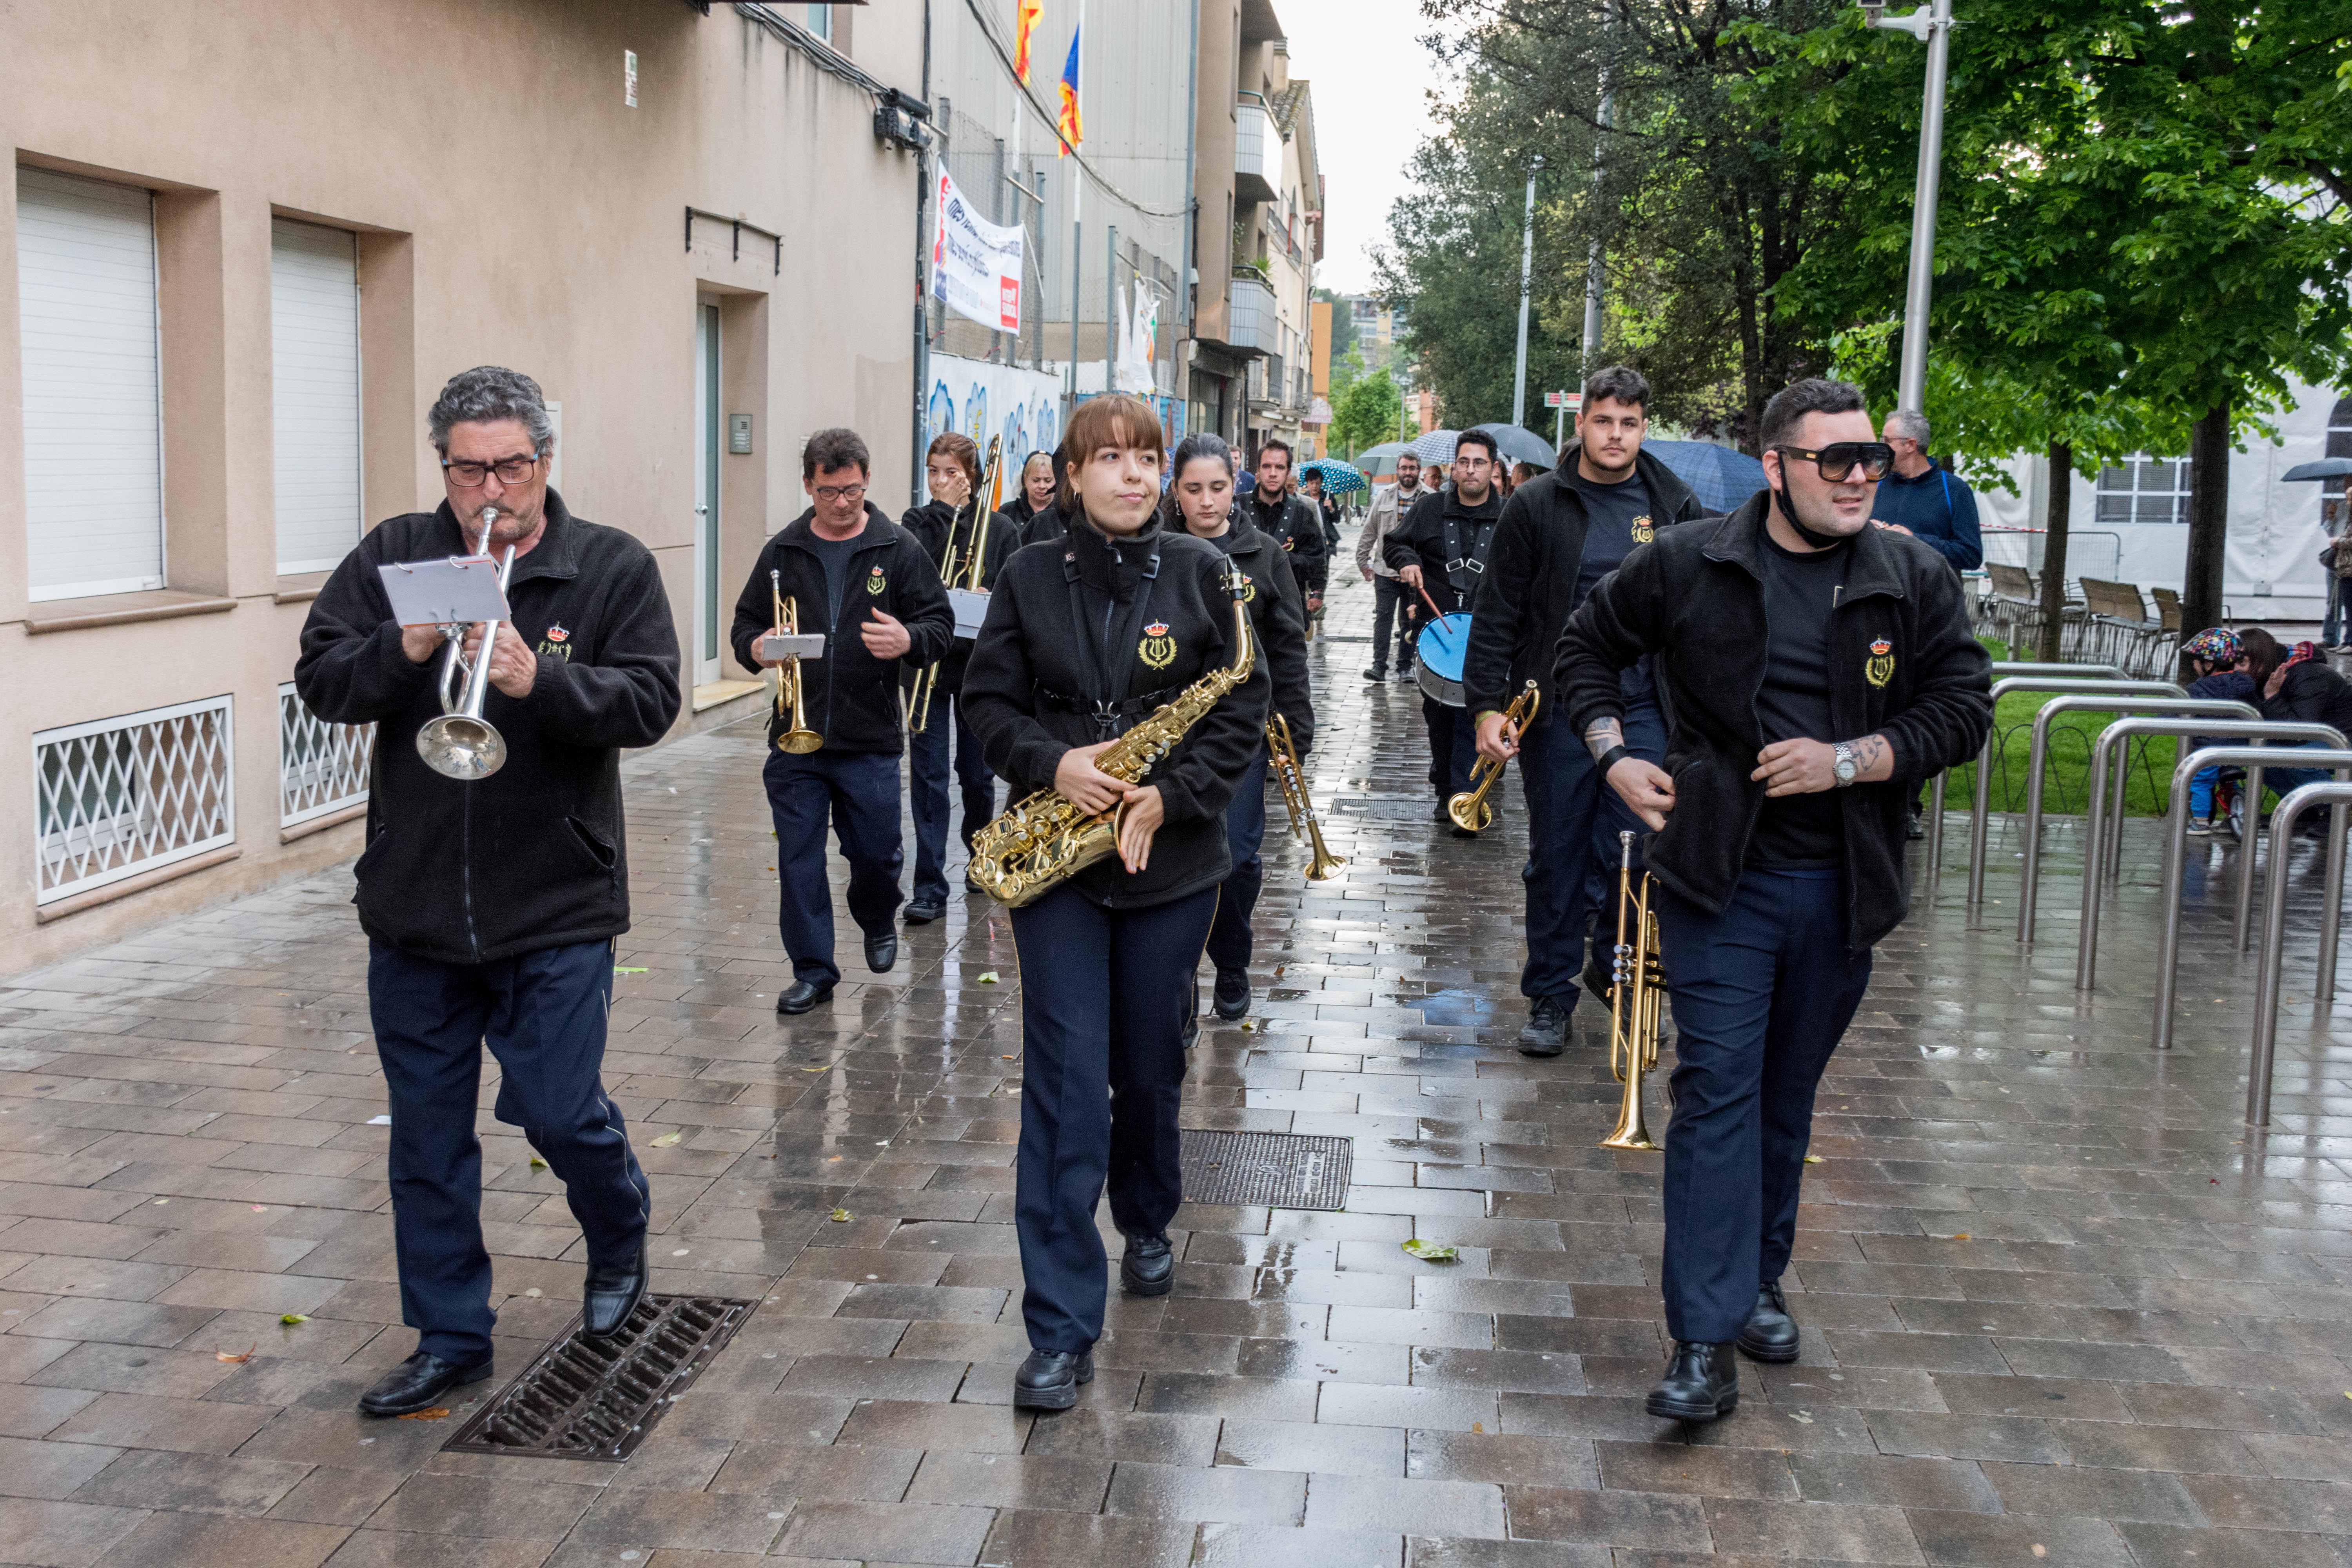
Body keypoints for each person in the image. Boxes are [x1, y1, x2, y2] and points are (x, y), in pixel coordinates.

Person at [1558, 376, 1991, 1423]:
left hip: (1844, 885)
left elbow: (1965, 710)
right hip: (1719, 876)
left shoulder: (1911, 574)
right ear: (1777, 467)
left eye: (1871, 460)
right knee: (1717, 1088)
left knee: (1785, 1095)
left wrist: (1857, 758)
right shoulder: (1691, 563)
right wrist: (1613, 754)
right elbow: (1584, 650)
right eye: (1834, 459)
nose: (1857, 477)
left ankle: (1757, 1277)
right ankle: (1701, 1341)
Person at [294, 366, 682, 1417]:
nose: (489, 489)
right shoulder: (393, 557)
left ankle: (618, 1230)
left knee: (560, 1113)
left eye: (509, 465)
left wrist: (535, 682)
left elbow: (653, 702)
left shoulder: (607, 566)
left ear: (545, 462)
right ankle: (450, 1336)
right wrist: (403, 643)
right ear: (446, 468)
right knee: (426, 1139)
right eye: (468, 468)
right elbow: (323, 678)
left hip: (556, 903)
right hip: (415, 908)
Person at [962, 394, 1272, 1411]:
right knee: (1064, 1078)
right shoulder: (1022, 574)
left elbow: (1242, 710)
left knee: (1149, 1067)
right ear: (1077, 470)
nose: (1136, 476)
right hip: (1055, 866)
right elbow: (986, 706)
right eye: (1115, 459)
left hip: (1171, 867)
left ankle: (1146, 1213)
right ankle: (1058, 1327)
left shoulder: (1205, 574)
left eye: (1150, 459)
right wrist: (1059, 762)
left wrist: (1168, 797)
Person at [1463, 366, 1705, 1055]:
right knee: (1559, 854)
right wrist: (1486, 706)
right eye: (1604, 421)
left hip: (1648, 705)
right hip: (1559, 706)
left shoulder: (1673, 504)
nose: (1616, 435)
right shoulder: (1538, 505)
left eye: (1629, 423)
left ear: (1644, 428)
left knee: (1637, 848)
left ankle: (1617, 967)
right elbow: (1499, 614)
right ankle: (1549, 994)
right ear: (1582, 425)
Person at [731, 429, 954, 1015]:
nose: (842, 502)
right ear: (809, 485)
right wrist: (758, 647)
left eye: (852, 490)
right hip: (795, 738)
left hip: (871, 736)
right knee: (799, 860)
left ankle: (878, 915)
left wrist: (909, 639)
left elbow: (940, 625)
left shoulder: (898, 548)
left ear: (867, 480)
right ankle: (813, 970)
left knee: (877, 855)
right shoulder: (783, 551)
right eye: (829, 491)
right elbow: (743, 628)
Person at [1164, 433, 1315, 1030]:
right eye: (1194, 489)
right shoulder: (1159, 551)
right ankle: (1176, 986)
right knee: (1173, 865)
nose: (1207, 502)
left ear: (1237, 486)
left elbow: (1288, 648)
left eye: (1219, 488)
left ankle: (1231, 961)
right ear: (1175, 491)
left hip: (1244, 735)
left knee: (1239, 859)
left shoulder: (1263, 554)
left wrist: (1297, 732)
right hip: (1171, 737)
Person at [900, 433, 1021, 916]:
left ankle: (976, 859)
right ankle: (929, 887)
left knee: (975, 775)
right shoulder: (914, 523)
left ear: (971, 477)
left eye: (951, 472)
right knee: (928, 778)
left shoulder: (1000, 529)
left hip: (977, 667)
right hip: (927, 666)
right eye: (933, 471)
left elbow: (1012, 592)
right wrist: (943, 518)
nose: (941, 481)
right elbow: (912, 579)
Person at [1385, 429, 1506, 828]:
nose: (1471, 470)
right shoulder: (1429, 508)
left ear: (1493, 468)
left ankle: (1463, 796)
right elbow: (1394, 543)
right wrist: (1406, 559)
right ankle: (1447, 784)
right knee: (1441, 717)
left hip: (1489, 635)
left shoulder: (1511, 515)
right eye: (1464, 462)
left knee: (1479, 713)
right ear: (1454, 468)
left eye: (1480, 463)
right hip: (1437, 633)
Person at [2242, 628, 2352, 834]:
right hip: (2319, 737)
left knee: (2298, 760)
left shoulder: (2309, 676)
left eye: (2244, 663)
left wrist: (2272, 697)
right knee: (2254, 754)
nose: (2239, 670)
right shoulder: (2267, 675)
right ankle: (2304, 807)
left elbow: (2300, 731)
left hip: (2342, 738)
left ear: (2261, 660)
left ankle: (2338, 810)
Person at [1871, 410, 1983, 573]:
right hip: (1877, 593)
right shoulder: (1876, 483)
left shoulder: (1955, 490)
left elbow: (1971, 556)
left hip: (1929, 596)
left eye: (1887, 441)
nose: (1882, 447)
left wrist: (1914, 540)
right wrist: (1866, 530)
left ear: (1911, 445)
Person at [1354, 452, 1424, 682]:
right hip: (1385, 569)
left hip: (1415, 572)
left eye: (1412, 468)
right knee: (1383, 618)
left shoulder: (1430, 498)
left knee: (1410, 620)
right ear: (1398, 470)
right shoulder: (1384, 497)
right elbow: (1370, 531)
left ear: (1419, 470)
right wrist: (1362, 561)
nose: (1408, 472)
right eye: (1404, 468)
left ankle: (1405, 667)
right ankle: (1379, 666)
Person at [2180, 628, 2256, 836]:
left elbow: (2180, 712)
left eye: (2196, 660)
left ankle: (2201, 822)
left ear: (2208, 663)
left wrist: (2160, 721)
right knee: (2229, 780)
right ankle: (2234, 814)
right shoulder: (2247, 684)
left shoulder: (2198, 689)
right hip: (2242, 747)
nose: (2194, 665)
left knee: (2200, 781)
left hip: (2209, 748)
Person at [1249, 439, 1327, 621]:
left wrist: (1317, 592)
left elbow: (1316, 561)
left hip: (1288, 609)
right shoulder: (1238, 509)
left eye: (1280, 467)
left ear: (1288, 473)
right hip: (1244, 608)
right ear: (1258, 471)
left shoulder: (1302, 514)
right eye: (1267, 467)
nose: (1273, 473)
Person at [1007, 450, 1057, 532]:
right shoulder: (1008, 512)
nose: (1042, 486)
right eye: (1036, 480)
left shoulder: (1066, 515)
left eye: (1048, 481)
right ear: (1025, 480)